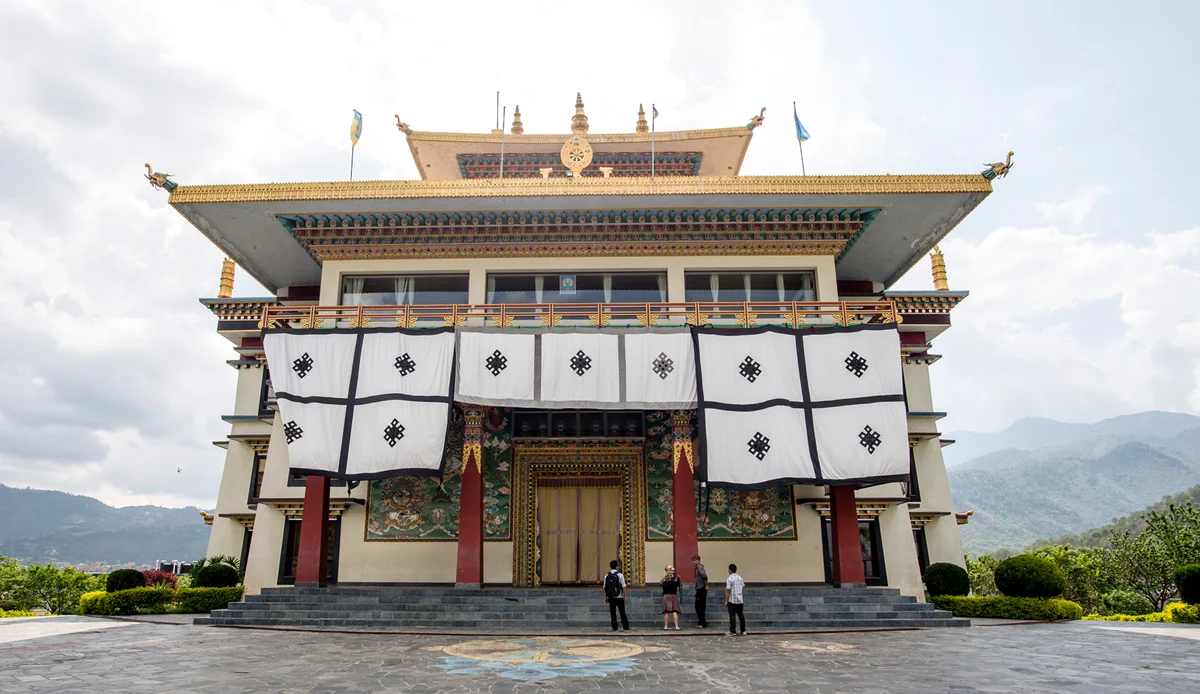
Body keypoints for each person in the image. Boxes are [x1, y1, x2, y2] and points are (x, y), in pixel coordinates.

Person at [603, 559, 630, 632]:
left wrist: (605, 597)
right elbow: (624, 586)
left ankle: (614, 626)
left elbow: (605, 587)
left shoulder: (606, 575)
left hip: (611, 597)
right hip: (619, 596)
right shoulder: (620, 575)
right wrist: (625, 596)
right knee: (622, 612)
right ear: (616, 567)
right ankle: (625, 626)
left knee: (612, 612)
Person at [724, 563, 746, 636]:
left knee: (732, 616)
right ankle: (743, 630)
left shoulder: (730, 578)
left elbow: (728, 590)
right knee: (741, 615)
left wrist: (726, 601)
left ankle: (732, 630)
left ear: (730, 570)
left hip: (732, 600)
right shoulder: (740, 578)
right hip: (740, 600)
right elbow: (742, 587)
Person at [660, 564, 682, 630]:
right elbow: (679, 584)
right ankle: (676, 626)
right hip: (672, 594)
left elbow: (661, 584)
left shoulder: (665, 578)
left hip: (667, 595)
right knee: (674, 610)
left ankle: (666, 626)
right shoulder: (676, 577)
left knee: (666, 611)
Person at [691, 554, 708, 628]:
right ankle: (701, 622)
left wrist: (706, 585)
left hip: (701, 589)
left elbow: (705, 577)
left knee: (700, 606)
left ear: (698, 560)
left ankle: (702, 623)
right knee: (698, 606)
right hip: (699, 589)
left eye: (694, 560)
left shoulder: (700, 568)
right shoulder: (697, 568)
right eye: (692, 561)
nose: (693, 562)